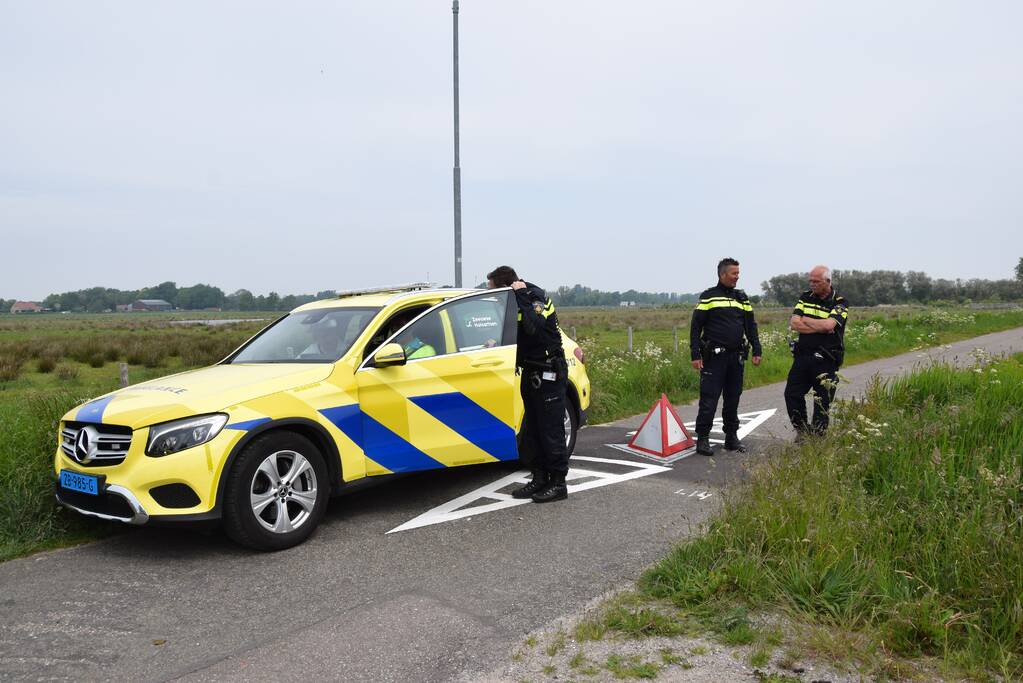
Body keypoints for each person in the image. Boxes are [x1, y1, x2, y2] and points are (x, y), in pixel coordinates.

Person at [487, 265, 570, 503]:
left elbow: (533, 326)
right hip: (531, 372)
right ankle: (539, 478)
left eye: (494, 290)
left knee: (551, 431)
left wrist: (521, 294)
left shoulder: (534, 296)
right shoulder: (511, 302)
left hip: (549, 373)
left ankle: (558, 484)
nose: (493, 297)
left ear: (507, 286)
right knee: (533, 431)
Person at [689, 258, 762, 456]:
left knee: (733, 399)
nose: (737, 277)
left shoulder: (742, 298)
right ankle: (703, 439)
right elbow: (696, 327)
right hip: (714, 357)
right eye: (734, 274)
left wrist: (757, 349)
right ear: (722, 275)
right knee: (709, 398)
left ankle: (731, 437)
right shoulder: (709, 296)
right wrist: (695, 353)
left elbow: (750, 326)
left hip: (736, 357)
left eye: (738, 273)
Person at [784, 265, 848, 438]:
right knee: (791, 394)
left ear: (827, 282)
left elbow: (830, 325)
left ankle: (818, 439)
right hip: (803, 356)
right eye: (810, 280)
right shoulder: (805, 297)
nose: (812, 284)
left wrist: (807, 320)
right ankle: (803, 432)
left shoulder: (840, 302)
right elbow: (794, 323)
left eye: (816, 281)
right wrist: (819, 326)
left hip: (826, 359)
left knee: (822, 402)